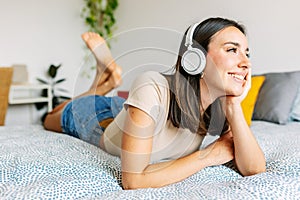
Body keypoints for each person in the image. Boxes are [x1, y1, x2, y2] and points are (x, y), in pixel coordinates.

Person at [44, 17, 266, 189]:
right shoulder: (152, 85)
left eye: (247, 53)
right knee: (50, 118)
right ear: (194, 60)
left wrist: (234, 107)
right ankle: (102, 85)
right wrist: (208, 156)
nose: (246, 63)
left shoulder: (220, 107)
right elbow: (133, 181)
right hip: (101, 122)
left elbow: (254, 169)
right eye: (232, 50)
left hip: (133, 113)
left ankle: (106, 81)